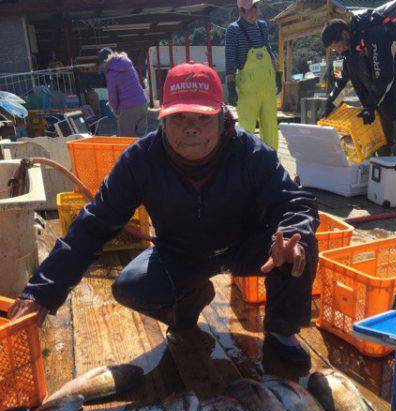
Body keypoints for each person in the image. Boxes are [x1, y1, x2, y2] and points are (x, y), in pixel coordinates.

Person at [8, 62, 319, 365]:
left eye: (203, 117)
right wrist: (42, 292)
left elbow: (295, 203)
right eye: (179, 118)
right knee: (130, 287)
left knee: (296, 246)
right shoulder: (140, 160)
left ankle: (281, 331)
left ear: (224, 119)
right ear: (162, 120)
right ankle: (188, 305)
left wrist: (297, 235)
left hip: (247, 247)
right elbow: (94, 224)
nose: (191, 128)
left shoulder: (251, 153)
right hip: (181, 253)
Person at [321, 17, 396, 156]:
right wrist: (331, 104)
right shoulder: (350, 52)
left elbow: (384, 75)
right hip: (382, 97)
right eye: (334, 49)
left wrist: (370, 106)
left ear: (344, 34)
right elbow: (344, 82)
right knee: (382, 139)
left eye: (336, 46)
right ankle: (382, 174)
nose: (338, 50)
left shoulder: (375, 36)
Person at [225, 0, 282, 151]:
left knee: (270, 126)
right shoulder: (233, 30)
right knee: (247, 128)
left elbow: (269, 51)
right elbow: (230, 59)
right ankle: (246, 164)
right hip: (247, 88)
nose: (254, 12)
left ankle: (271, 163)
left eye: (255, 8)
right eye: (250, 10)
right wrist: (230, 87)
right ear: (241, 11)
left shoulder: (262, 26)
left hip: (267, 84)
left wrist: (278, 74)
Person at [98, 47, 148, 137]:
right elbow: (137, 82)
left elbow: (113, 98)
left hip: (129, 109)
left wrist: (115, 110)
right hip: (142, 103)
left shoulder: (110, 74)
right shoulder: (128, 64)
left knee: (125, 140)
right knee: (142, 139)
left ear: (104, 62)